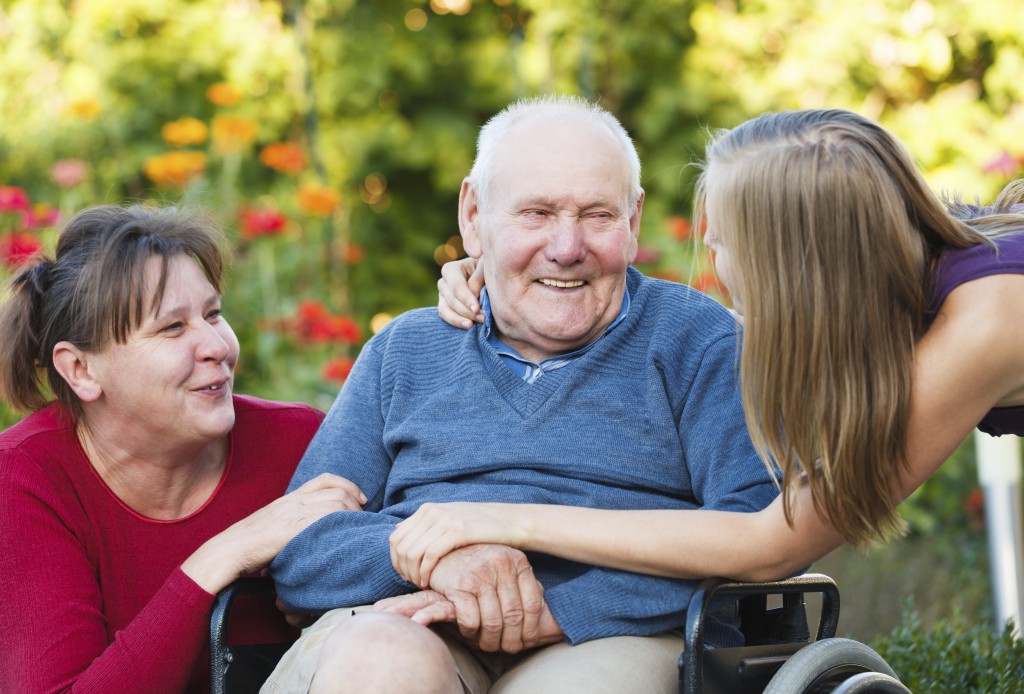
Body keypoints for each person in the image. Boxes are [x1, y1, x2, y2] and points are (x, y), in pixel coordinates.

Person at [261, 95, 780, 694]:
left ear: (634, 222)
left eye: (598, 215)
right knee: (378, 659)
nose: (566, 247)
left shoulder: (699, 341)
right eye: (536, 213)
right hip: (413, 614)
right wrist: (440, 564)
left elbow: (756, 536)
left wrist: (561, 608)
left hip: (615, 637)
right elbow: (303, 545)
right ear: (473, 213)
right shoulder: (405, 349)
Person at [400, 107, 1024, 590]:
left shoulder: (991, 320)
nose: (718, 265)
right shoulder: (924, 270)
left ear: (795, 262)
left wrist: (505, 518)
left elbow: (775, 542)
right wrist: (504, 277)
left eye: (723, 242)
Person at [0, 205, 363, 693]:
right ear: (82, 370)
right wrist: (221, 557)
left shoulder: (298, 441)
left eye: (213, 313)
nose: (217, 345)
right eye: (172, 327)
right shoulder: (25, 479)